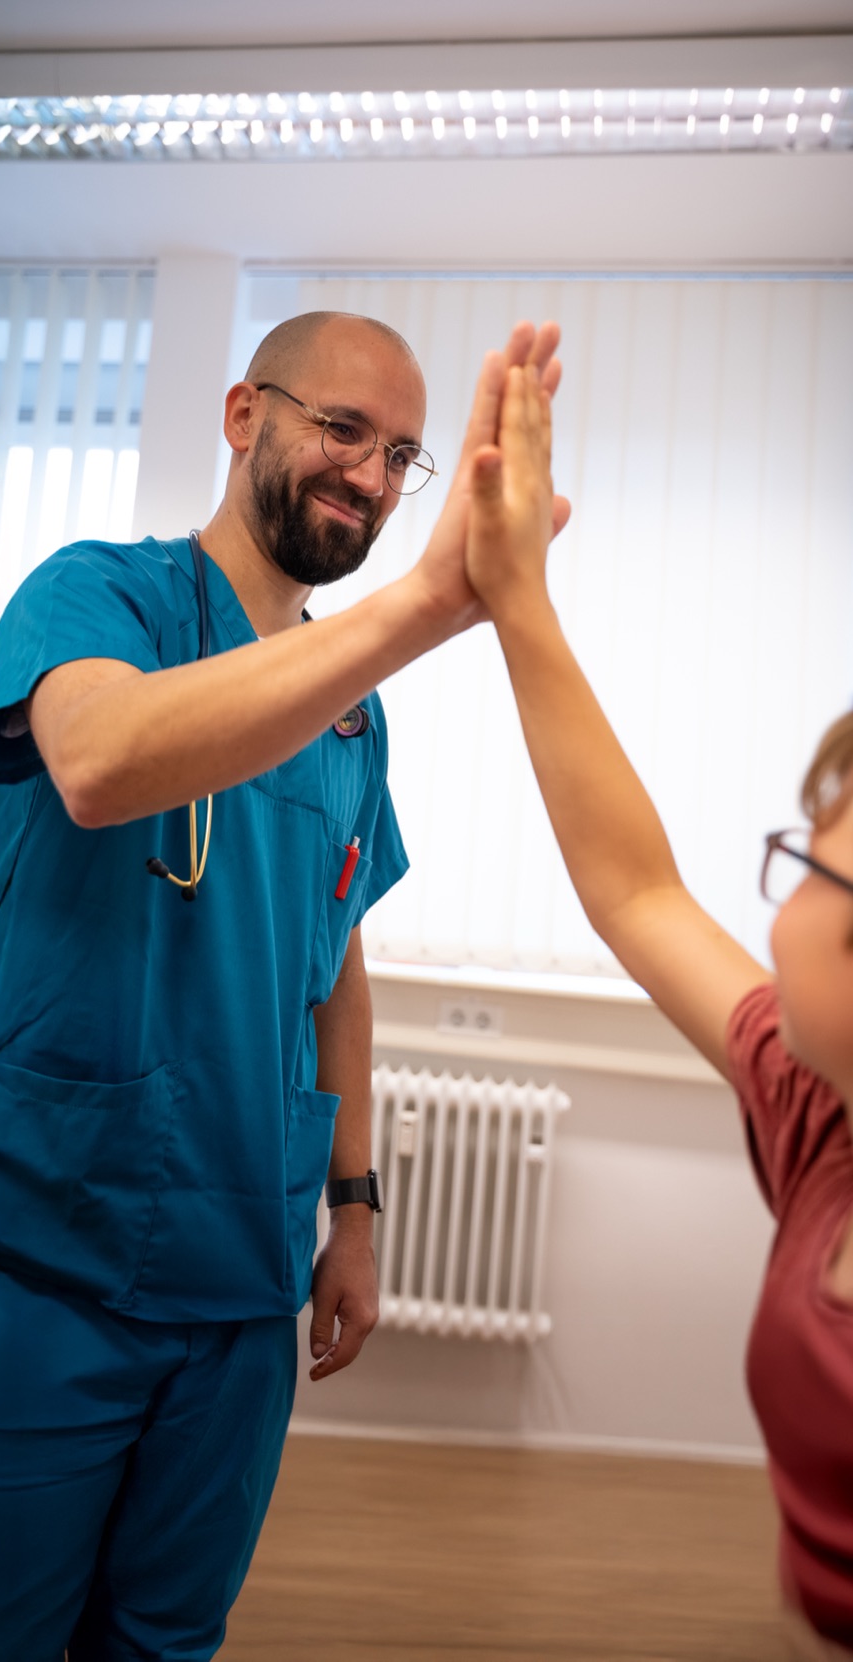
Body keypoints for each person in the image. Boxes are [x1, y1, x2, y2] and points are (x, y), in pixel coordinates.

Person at [0, 311, 566, 1661]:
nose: (374, 476)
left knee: (165, 1638)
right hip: (38, 1256)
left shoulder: (355, 713)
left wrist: (357, 1208)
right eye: (343, 428)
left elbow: (338, 965)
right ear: (242, 415)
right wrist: (430, 602)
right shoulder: (96, 596)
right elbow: (97, 760)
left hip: (241, 1284)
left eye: (404, 455)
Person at [465, 352, 853, 1658]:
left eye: (808, 856)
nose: (776, 896)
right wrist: (517, 596)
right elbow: (635, 889)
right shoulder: (824, 1121)